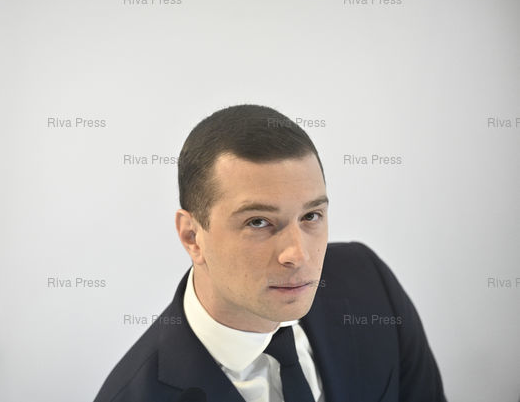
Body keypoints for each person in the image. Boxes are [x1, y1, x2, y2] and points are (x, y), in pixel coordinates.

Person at [93, 104, 446, 402]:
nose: (298, 255)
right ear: (192, 237)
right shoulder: (134, 395)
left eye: (311, 216)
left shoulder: (369, 284)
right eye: (258, 222)